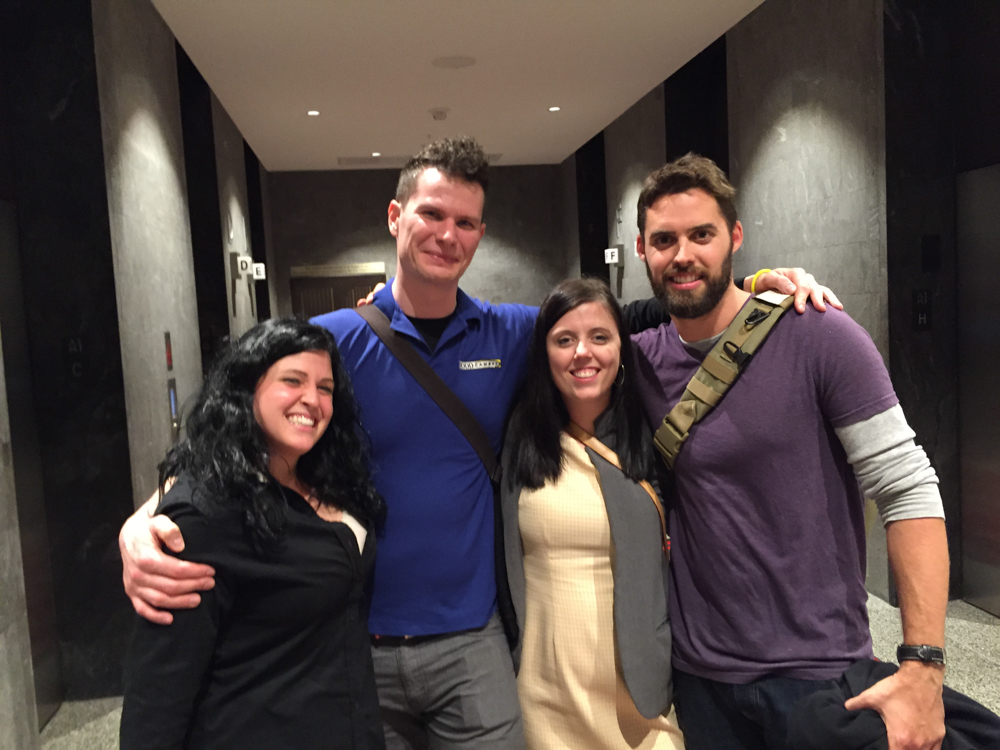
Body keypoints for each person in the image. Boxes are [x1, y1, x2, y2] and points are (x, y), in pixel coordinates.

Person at [117, 137, 836, 750]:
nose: (447, 234)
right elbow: (228, 428)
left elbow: (622, 317)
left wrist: (759, 285)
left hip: (473, 640)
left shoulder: (513, 333)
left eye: (465, 222)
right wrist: (149, 518)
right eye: (431, 214)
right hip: (356, 638)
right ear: (396, 217)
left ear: (480, 234)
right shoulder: (331, 343)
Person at [630, 154, 949, 750]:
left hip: (819, 672)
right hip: (700, 677)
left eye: (702, 235)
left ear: (735, 237)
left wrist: (923, 667)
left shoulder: (819, 334)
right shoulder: (638, 360)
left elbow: (907, 488)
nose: (682, 255)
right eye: (664, 240)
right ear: (642, 249)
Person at [119, 318, 386, 750]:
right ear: (246, 390)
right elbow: (157, 697)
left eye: (325, 388)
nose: (312, 399)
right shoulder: (204, 517)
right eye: (292, 381)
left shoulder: (328, 478)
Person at [503, 278, 682, 750]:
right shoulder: (519, 436)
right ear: (544, 353)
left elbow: (688, 305)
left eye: (600, 337)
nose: (583, 352)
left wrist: (757, 284)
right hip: (545, 690)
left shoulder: (652, 429)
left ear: (622, 346)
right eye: (564, 340)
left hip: (638, 685)